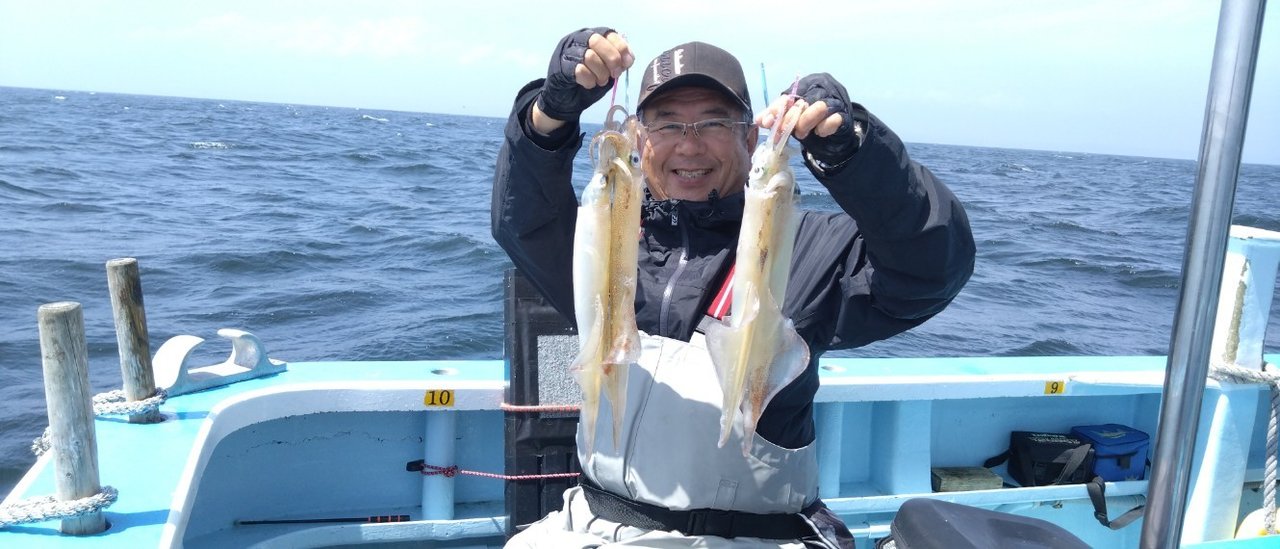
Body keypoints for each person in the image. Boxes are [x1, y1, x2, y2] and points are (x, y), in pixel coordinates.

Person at [491, 27, 975, 548]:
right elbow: (524, 219)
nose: (689, 144)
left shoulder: (811, 247)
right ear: (640, 139)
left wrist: (854, 152)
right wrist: (548, 116)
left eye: (713, 123)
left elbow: (930, 268)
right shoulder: (606, 239)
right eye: (667, 123)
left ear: (749, 140)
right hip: (592, 524)